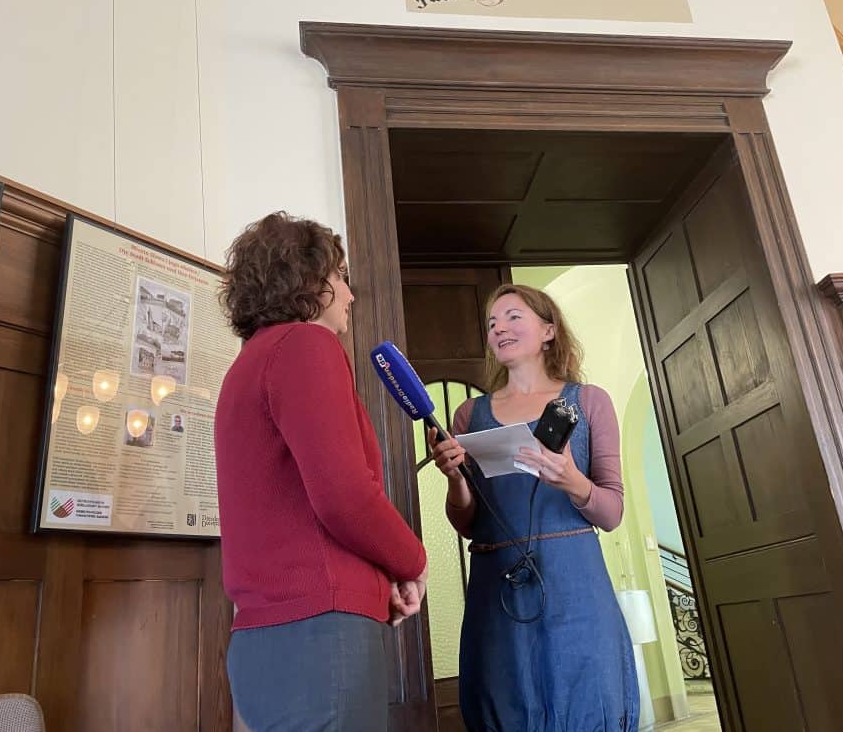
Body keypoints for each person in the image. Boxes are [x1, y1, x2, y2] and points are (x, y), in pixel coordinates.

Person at [215, 212, 428, 732]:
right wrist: (413, 561)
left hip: (264, 636)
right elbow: (344, 497)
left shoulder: (246, 366)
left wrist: (381, 581)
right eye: (340, 277)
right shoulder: (305, 346)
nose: (350, 295)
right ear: (308, 279)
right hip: (318, 634)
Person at [428, 283, 640, 732]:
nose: (499, 327)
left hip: (576, 584)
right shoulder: (469, 414)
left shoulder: (589, 402)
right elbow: (467, 522)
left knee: (585, 702)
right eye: (491, 323)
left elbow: (612, 512)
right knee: (505, 703)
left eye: (512, 316)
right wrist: (453, 480)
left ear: (548, 330)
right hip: (496, 585)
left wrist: (572, 481)